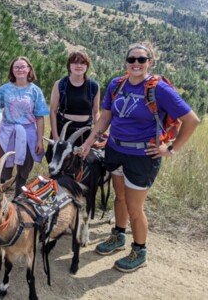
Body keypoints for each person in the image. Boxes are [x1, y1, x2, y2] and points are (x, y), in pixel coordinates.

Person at [79, 43, 200, 272]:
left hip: (142, 156)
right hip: (115, 149)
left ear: (150, 62)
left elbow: (192, 120)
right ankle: (118, 235)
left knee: (135, 208)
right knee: (120, 198)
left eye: (141, 60)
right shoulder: (117, 84)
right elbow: (106, 118)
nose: (136, 63)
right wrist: (88, 142)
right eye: (132, 59)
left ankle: (139, 250)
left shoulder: (159, 89)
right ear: (126, 61)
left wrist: (172, 149)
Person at [0, 56, 49, 197]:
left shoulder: (35, 91)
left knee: (24, 171)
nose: (20, 69)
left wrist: (40, 140)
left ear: (29, 69)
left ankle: (18, 201)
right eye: (16, 67)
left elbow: (40, 117)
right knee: (3, 169)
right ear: (12, 70)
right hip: (7, 133)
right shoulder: (5, 89)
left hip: (28, 134)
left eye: (23, 66)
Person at [47, 50, 100, 161]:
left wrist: (96, 133)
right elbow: (52, 111)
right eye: (75, 62)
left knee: (81, 162)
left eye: (82, 63)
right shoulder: (60, 84)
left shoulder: (93, 86)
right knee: (57, 162)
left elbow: (96, 112)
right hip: (63, 130)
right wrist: (56, 137)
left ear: (87, 66)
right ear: (69, 65)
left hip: (84, 131)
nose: (78, 65)